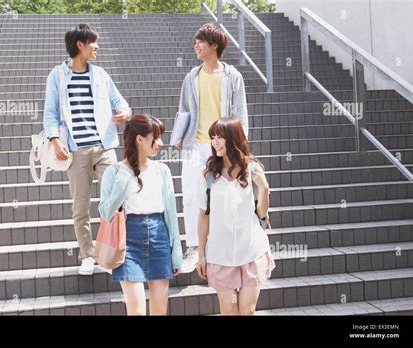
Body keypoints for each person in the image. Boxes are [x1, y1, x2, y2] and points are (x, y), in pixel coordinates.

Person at [43, 23, 132, 275]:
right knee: (80, 206)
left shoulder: (101, 75)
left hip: (104, 147)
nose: (97, 47)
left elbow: (120, 101)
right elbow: (50, 113)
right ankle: (87, 254)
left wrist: (124, 112)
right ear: (80, 45)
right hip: (75, 151)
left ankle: (111, 251)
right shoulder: (57, 76)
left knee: (115, 198)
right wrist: (54, 140)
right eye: (93, 42)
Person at [170, 23, 248, 273]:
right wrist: (180, 136)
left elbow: (240, 114)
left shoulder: (232, 76)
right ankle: (194, 247)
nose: (196, 45)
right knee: (192, 196)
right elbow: (184, 110)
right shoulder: (191, 76)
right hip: (196, 145)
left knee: (226, 196)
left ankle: (222, 245)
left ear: (214, 45)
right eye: (196, 41)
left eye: (201, 41)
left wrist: (241, 147)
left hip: (224, 146)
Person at [98, 114, 183, 315]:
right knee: (136, 312)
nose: (160, 143)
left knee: (159, 311)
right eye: (156, 137)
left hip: (159, 236)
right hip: (129, 240)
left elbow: (171, 214)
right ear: (139, 139)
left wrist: (176, 252)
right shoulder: (115, 171)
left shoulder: (162, 170)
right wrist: (125, 175)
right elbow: (106, 212)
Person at [196, 117, 275, 315]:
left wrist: (264, 188)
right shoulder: (208, 176)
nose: (215, 142)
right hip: (221, 255)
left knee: (247, 311)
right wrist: (201, 254)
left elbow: (262, 213)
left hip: (250, 251)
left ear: (233, 138)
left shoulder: (252, 170)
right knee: (229, 311)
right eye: (213, 137)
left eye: (220, 137)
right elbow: (203, 216)